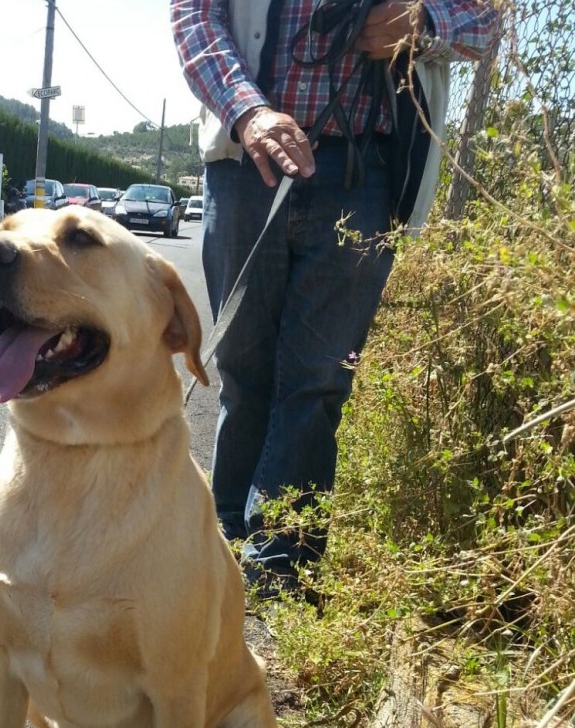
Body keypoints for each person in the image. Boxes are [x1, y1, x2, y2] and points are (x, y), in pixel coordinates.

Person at [171, 0, 498, 600]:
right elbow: (194, 14)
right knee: (242, 370)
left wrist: (423, 22)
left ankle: (279, 567)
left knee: (318, 382)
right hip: (245, 163)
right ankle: (220, 546)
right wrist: (248, 110)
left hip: (363, 171)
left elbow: (486, 20)